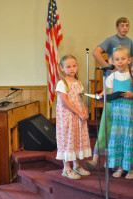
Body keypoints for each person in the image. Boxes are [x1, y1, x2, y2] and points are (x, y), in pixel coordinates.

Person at [86, 17, 133, 170]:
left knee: (124, 128)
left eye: (127, 25)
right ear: (116, 27)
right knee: (107, 122)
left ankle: (124, 163)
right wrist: (108, 66)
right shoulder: (110, 40)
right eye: (122, 25)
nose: (125, 28)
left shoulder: (130, 42)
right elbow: (96, 52)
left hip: (127, 85)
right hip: (112, 84)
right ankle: (96, 158)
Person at [55, 54, 92, 180]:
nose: (72, 69)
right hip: (67, 117)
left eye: (74, 66)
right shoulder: (62, 83)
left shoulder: (78, 83)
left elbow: (80, 99)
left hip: (78, 117)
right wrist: (78, 112)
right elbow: (65, 101)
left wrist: (85, 110)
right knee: (68, 140)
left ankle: (76, 165)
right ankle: (66, 168)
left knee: (76, 140)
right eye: (68, 66)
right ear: (62, 68)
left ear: (78, 66)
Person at [105, 46, 133, 179]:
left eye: (123, 58)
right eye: (117, 59)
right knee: (119, 137)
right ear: (113, 61)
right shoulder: (112, 76)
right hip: (117, 112)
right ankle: (121, 167)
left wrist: (131, 95)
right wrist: (104, 96)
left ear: (129, 60)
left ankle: (131, 168)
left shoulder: (132, 75)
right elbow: (110, 93)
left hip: (130, 113)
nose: (120, 62)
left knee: (129, 138)